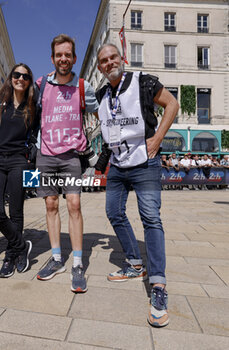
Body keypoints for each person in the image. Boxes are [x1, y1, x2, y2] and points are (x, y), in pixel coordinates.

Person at [96, 43, 179, 327]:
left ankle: (158, 286)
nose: (109, 63)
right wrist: (99, 166)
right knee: (113, 212)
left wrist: (157, 140)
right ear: (100, 67)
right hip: (118, 166)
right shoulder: (102, 95)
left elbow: (172, 104)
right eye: (104, 61)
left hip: (145, 164)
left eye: (113, 58)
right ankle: (134, 263)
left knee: (151, 219)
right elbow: (110, 134)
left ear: (122, 59)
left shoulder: (143, 82)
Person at [35, 34, 99, 293]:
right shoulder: (41, 85)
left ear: (74, 58)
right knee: (51, 204)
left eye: (68, 54)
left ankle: (77, 263)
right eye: (59, 54)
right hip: (46, 155)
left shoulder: (83, 87)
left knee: (74, 204)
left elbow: (101, 113)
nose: (63, 59)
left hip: (72, 156)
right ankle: (57, 258)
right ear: (52, 58)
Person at [0, 63, 39, 278]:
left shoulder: (33, 106)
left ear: (29, 82)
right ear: (11, 77)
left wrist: (35, 168)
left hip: (20, 160)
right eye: (17, 75)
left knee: (16, 211)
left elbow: (37, 136)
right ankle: (20, 246)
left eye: (25, 76)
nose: (20, 79)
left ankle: (10, 254)